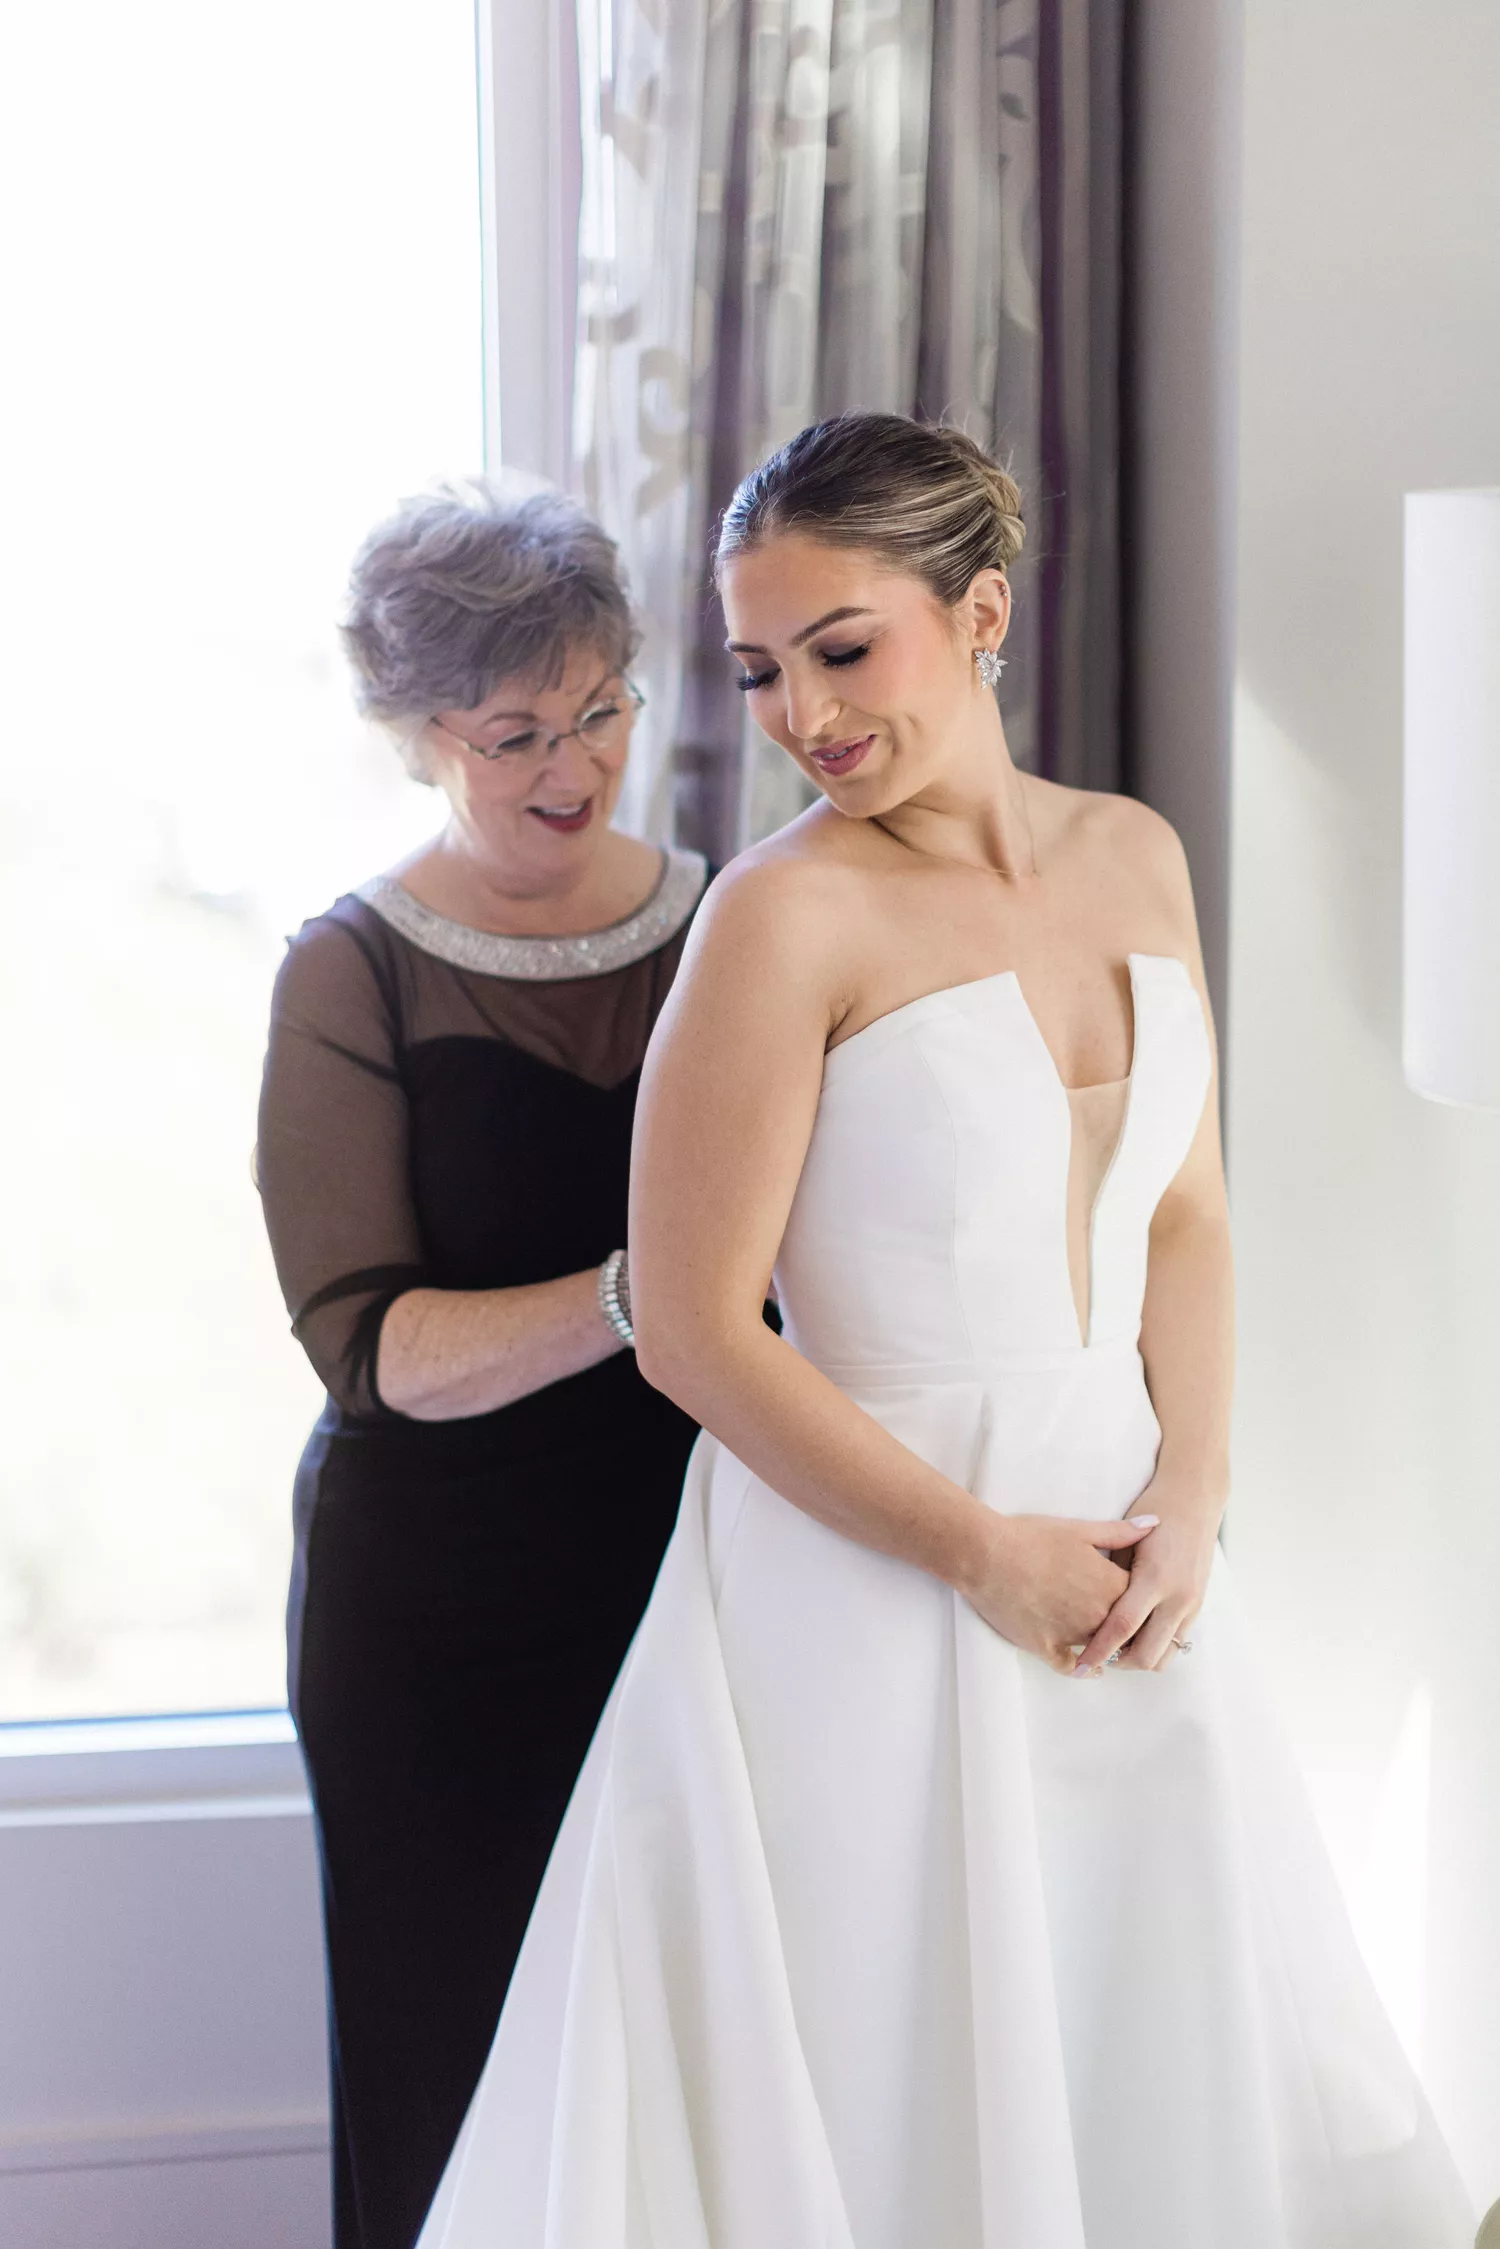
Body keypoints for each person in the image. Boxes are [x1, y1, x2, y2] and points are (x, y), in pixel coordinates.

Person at [414, 418, 1473, 2248]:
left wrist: (1197, 1491)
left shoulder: (1135, 857)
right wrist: (982, 1555)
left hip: (1128, 1564)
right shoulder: (779, 917)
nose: (803, 716)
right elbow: (688, 1327)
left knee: (1150, 2059)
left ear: (979, 611)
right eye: (759, 670)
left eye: (843, 648)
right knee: (888, 2104)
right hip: (867, 1586)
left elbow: (1194, 1215)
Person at [255, 481, 707, 2249]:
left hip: (694, 1577)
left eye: (600, 705)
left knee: (685, 2057)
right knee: (455, 2068)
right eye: (517, 727)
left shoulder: (735, 920)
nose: (572, 760)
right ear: (417, 732)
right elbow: (371, 1348)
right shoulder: (349, 974)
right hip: (435, 1615)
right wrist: (639, 1296)